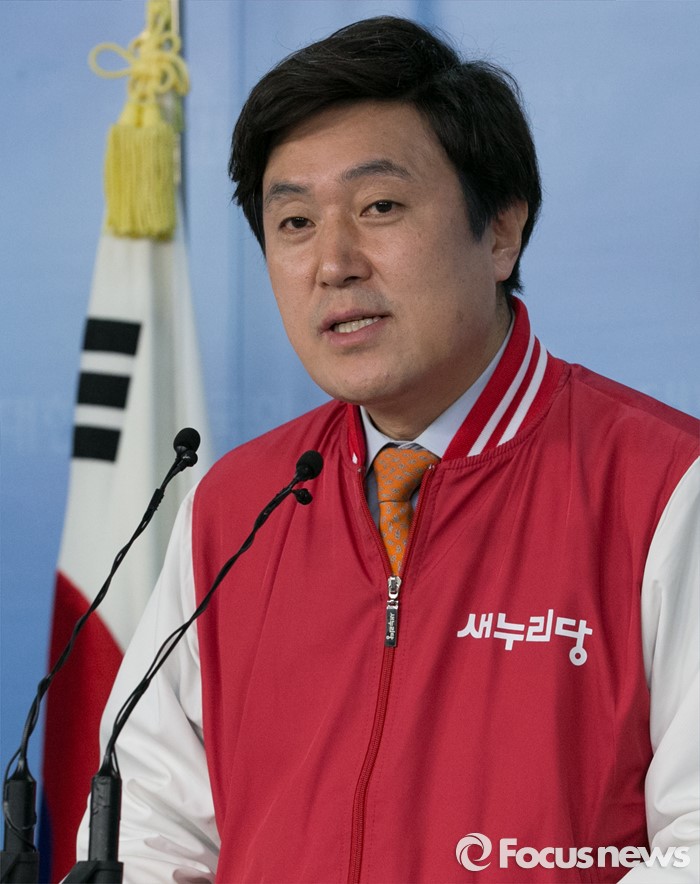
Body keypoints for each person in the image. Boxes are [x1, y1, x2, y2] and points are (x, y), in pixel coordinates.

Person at [77, 16, 699, 883]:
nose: (333, 263)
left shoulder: (666, 487)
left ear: (501, 232)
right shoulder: (236, 505)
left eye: (379, 208)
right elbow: (151, 830)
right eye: (294, 221)